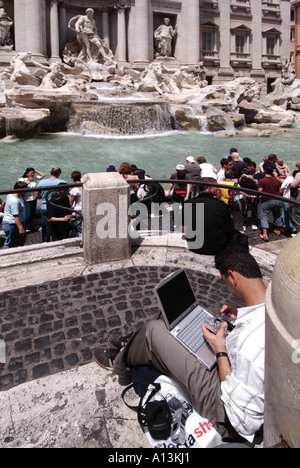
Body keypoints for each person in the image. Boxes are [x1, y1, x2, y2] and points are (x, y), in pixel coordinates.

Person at [94, 247, 266, 444]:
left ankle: (119, 362)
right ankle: (132, 345)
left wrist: (220, 351)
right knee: (171, 319)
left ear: (233, 277)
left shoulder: (251, 346)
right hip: (228, 364)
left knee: (153, 331)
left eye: (224, 281)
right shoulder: (271, 305)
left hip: (222, 405)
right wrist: (240, 317)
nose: (226, 287)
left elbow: (242, 421)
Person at [184, 177, 234, 255]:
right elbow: (229, 228)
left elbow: (185, 225)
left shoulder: (188, 203)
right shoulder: (221, 206)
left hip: (193, 245)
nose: (218, 189)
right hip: (216, 247)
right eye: (216, 187)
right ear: (209, 189)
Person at [35, 168, 67, 242]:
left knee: (45, 228)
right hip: (57, 208)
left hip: (44, 207)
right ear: (59, 174)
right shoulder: (62, 182)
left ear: (50, 172)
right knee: (57, 228)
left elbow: (36, 196)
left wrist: (43, 197)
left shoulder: (41, 183)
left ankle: (45, 243)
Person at [257, 164, 283, 242]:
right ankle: (278, 230)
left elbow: (259, 192)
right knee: (277, 214)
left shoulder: (262, 180)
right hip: (277, 200)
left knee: (264, 216)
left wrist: (260, 197)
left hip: (267, 201)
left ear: (264, 171)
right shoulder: (276, 180)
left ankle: (265, 234)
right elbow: (280, 190)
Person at [18, 167, 45, 232]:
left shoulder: (35, 178)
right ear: (27, 174)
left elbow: (43, 175)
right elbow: (20, 188)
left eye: (33, 173)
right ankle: (25, 227)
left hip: (33, 199)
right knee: (27, 214)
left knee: (32, 213)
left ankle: (30, 226)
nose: (33, 174)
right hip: (26, 199)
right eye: (31, 173)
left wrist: (36, 171)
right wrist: (29, 181)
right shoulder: (22, 179)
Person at [2, 181, 27, 249]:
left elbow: (7, 203)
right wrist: (21, 228)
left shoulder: (11, 194)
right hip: (12, 224)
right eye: (24, 189)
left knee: (20, 240)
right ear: (19, 189)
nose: (26, 191)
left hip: (14, 223)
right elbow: (15, 216)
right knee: (10, 243)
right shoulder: (15, 201)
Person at [168, 164, 191, 230]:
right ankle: (175, 223)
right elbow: (171, 183)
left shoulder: (187, 176)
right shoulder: (174, 175)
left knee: (185, 210)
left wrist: (187, 195)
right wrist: (169, 191)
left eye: (181, 171)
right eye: (178, 171)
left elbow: (189, 185)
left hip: (185, 194)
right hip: (176, 194)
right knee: (175, 209)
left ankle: (185, 223)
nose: (180, 173)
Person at [69, 171, 82, 237]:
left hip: (78, 209)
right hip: (84, 208)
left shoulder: (75, 189)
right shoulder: (83, 186)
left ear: (73, 178)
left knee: (79, 227)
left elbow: (71, 202)